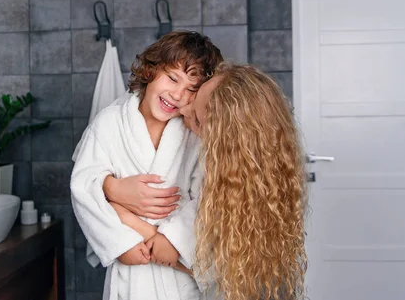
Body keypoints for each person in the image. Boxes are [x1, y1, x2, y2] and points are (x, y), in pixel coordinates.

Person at [106, 63, 308, 300]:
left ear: (226, 141)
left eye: (197, 121)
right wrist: (113, 187)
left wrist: (117, 208)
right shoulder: (270, 173)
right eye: (194, 99)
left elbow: (191, 263)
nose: (183, 112)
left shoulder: (247, 196)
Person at [71, 30, 223, 300]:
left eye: (191, 89)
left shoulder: (194, 133)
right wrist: (119, 243)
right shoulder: (109, 123)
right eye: (172, 78)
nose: (177, 94)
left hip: (177, 272)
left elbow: (205, 196)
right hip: (131, 271)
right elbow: (83, 185)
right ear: (151, 71)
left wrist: (172, 239)